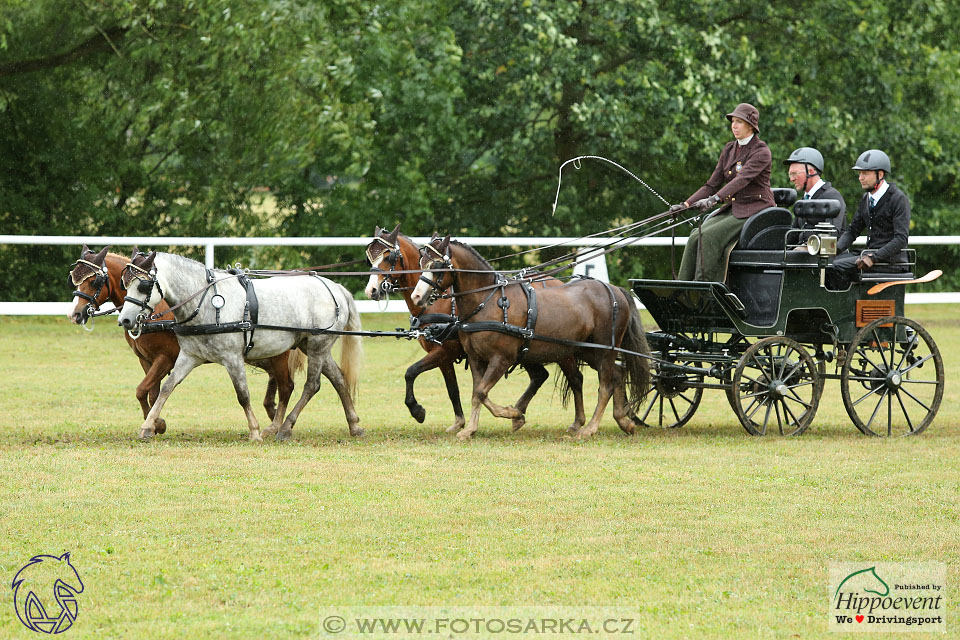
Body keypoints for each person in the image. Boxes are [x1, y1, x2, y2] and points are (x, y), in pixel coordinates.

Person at [671, 103, 775, 282]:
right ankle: (683, 287)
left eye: (739, 122)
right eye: (733, 121)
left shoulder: (762, 152)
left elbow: (741, 180)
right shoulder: (729, 149)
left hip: (756, 209)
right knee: (695, 235)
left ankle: (704, 289)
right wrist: (686, 205)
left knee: (709, 237)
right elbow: (712, 184)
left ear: (751, 125)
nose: (734, 126)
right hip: (735, 208)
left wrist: (714, 199)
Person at [827, 149, 910, 289]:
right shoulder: (866, 198)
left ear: (880, 174)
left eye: (865, 173)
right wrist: (834, 250)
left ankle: (843, 307)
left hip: (891, 262)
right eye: (859, 173)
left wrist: (874, 257)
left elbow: (901, 239)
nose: (860, 178)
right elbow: (853, 230)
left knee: (836, 266)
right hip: (870, 257)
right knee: (829, 263)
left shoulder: (898, 199)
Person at [784, 146, 846, 233]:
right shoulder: (804, 200)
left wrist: (804, 246)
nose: (792, 179)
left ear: (811, 172)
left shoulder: (832, 196)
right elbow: (794, 233)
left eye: (795, 174)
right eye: (790, 174)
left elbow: (831, 234)